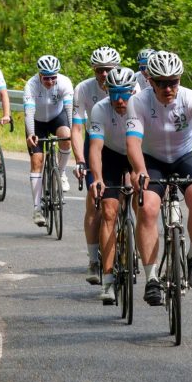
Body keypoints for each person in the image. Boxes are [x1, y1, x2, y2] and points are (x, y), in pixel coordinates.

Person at [125, 50, 192, 304]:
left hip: (185, 156)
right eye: (161, 83)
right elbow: (133, 143)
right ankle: (152, 278)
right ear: (150, 81)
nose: (168, 88)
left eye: (173, 82)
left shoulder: (191, 99)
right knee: (146, 209)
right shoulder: (138, 102)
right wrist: (140, 170)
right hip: (153, 160)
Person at [88, 66, 138, 304]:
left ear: (133, 91)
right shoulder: (100, 109)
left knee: (145, 201)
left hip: (138, 152)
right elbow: (96, 148)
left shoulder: (141, 105)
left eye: (124, 94)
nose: (119, 100)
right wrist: (97, 178)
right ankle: (107, 280)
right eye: (114, 94)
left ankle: (138, 242)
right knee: (109, 211)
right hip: (110, 156)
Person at [72, 46, 121, 284]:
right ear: (94, 70)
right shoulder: (83, 89)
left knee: (136, 194)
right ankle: (93, 260)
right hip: (97, 143)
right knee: (95, 202)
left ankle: (130, 241)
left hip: (125, 142)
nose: (104, 75)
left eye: (108, 70)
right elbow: (78, 128)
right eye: (100, 70)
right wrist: (80, 160)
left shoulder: (130, 83)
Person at [23, 55, 75, 226]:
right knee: (37, 161)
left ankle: (60, 173)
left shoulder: (64, 82)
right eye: (46, 78)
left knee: (66, 136)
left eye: (53, 77)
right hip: (36, 122)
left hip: (56, 118)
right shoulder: (31, 85)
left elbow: (68, 109)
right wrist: (31, 133)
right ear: (40, 75)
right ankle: (37, 208)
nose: (51, 81)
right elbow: (29, 112)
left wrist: (73, 132)